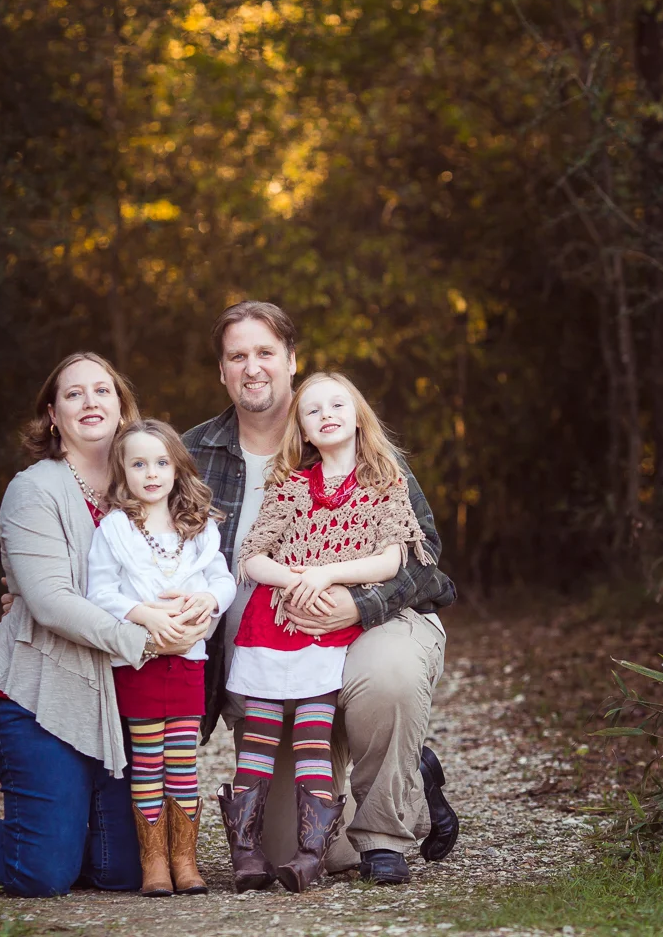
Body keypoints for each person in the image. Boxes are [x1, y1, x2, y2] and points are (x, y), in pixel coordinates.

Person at [184, 301, 460, 886]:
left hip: (368, 628)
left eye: (266, 353)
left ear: (290, 360)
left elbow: (423, 555)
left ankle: (386, 826)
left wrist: (357, 602)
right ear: (222, 371)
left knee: (387, 678)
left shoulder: (350, 437)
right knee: (308, 849)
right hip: (269, 661)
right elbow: (135, 532)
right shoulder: (193, 457)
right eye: (238, 356)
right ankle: (410, 772)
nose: (252, 367)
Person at [0, 352, 211, 897]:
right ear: (52, 416)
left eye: (102, 391)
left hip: (122, 694)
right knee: (43, 874)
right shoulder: (34, 490)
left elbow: (199, 562)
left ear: (122, 406)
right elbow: (51, 601)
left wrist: (200, 607)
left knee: (122, 872)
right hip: (44, 693)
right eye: (73, 394)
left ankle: (60, 829)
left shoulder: (152, 483)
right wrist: (143, 639)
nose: (89, 402)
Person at [224, 372, 432, 892]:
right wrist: (295, 579)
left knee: (317, 730)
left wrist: (328, 575)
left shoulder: (386, 482)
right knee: (261, 737)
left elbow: (393, 557)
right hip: (279, 629)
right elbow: (252, 555)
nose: (327, 415)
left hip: (344, 629)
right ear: (302, 429)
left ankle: (358, 835)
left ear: (360, 415)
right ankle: (257, 848)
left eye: (338, 404)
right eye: (312, 411)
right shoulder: (290, 487)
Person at [86, 418, 235, 896]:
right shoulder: (114, 529)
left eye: (161, 462)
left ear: (177, 466)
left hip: (188, 660)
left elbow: (223, 580)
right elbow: (100, 591)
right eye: (138, 463)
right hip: (140, 662)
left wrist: (208, 602)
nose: (151, 473)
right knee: (148, 760)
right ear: (123, 471)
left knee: (184, 760)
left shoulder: (198, 526)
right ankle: (154, 865)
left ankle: (185, 861)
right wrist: (146, 615)